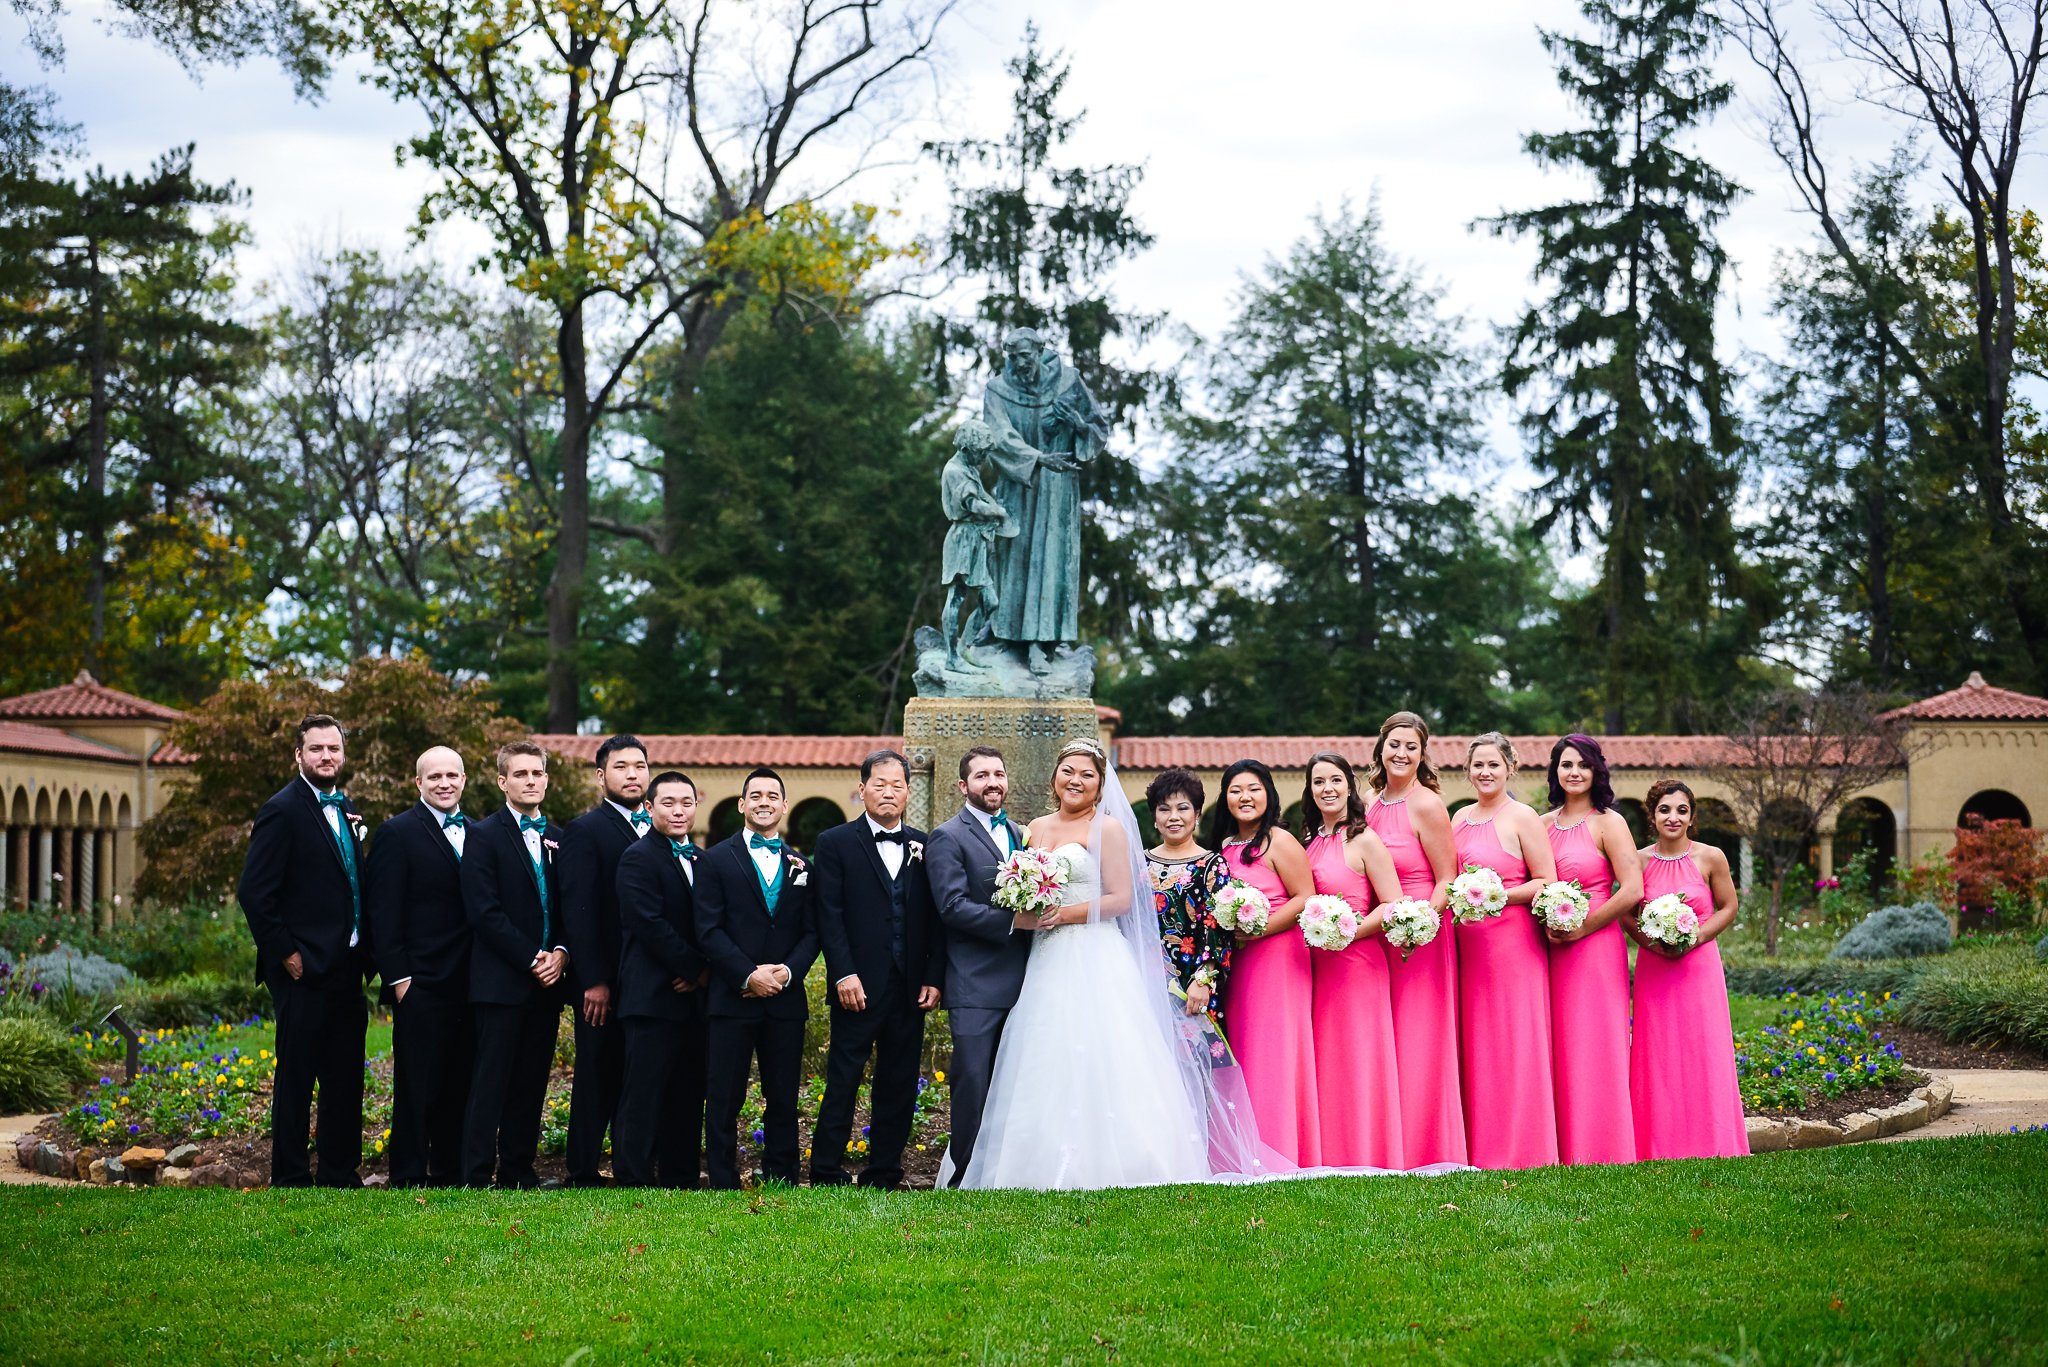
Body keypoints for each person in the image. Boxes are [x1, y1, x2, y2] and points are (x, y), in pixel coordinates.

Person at [952, 739, 1210, 1189]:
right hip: (1045, 959)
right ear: (1055, 776)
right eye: (1068, 770)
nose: (1076, 780)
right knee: (1042, 1051)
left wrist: (1064, 914)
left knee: (1102, 1050)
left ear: (1100, 784)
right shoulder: (1032, 827)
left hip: (1094, 952)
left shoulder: (1107, 829)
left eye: (1087, 774)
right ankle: (1030, 1164)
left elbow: (1121, 898)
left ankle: (1119, 1163)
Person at [236, 713, 372, 1189]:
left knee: (345, 1076)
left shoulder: (348, 807)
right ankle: (291, 1174)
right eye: (316, 749)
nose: (326, 756)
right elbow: (255, 892)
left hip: (347, 966)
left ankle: (339, 1172)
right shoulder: (282, 809)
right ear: (299, 755)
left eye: (333, 748)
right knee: (297, 1077)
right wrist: (286, 953)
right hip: (302, 970)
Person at [810, 749, 946, 1190]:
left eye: (897, 785)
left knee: (899, 1083)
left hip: (909, 987)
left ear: (908, 791)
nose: (888, 792)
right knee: (843, 1079)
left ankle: (884, 1171)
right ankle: (826, 1171)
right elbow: (827, 915)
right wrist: (843, 973)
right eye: (880, 784)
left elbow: (935, 919)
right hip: (857, 985)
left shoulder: (924, 844)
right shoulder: (834, 843)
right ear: (863, 788)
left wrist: (932, 976)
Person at [696, 767, 818, 1189]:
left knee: (783, 1096)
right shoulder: (713, 860)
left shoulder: (802, 864)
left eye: (773, 796)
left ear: (784, 806)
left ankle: (783, 1174)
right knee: (725, 1096)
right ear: (741, 805)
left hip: (785, 1000)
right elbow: (708, 929)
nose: (765, 802)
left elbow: (812, 930)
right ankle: (724, 1179)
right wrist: (747, 975)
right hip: (732, 999)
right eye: (756, 795)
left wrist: (786, 971)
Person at [364, 745, 475, 1188]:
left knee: (460, 1080)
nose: (444, 783)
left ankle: (451, 1172)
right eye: (435, 777)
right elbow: (382, 911)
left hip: (472, 981)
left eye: (452, 775)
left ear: (464, 780)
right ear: (419, 784)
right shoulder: (397, 833)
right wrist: (400, 978)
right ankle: (409, 1174)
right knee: (417, 1085)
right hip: (422, 982)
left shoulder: (480, 832)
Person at [924, 745, 1034, 1187]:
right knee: (972, 1081)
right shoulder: (948, 837)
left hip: (1030, 977)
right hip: (975, 983)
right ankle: (967, 1176)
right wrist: (1013, 921)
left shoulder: (1023, 834)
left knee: (1020, 1080)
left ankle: (1012, 1172)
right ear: (962, 785)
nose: (993, 782)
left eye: (999, 774)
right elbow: (951, 906)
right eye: (982, 775)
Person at [1450, 733, 1561, 1170]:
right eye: (1478, 764)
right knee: (1478, 1045)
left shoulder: (1524, 816)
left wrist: (1498, 894)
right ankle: (1480, 1145)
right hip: (1470, 948)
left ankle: (1524, 1148)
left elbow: (1545, 880)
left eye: (1494, 764)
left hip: (1512, 945)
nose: (1485, 772)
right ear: (1468, 769)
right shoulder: (1458, 818)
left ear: (1510, 768)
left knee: (1514, 1041)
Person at [460, 741, 567, 1190]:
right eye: (520, 774)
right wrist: (530, 957)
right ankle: (476, 1173)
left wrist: (561, 952)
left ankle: (519, 1171)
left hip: (548, 981)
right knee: (491, 1081)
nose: (530, 781)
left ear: (546, 779)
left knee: (531, 1081)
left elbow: (569, 904)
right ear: (503, 781)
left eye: (537, 773)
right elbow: (483, 912)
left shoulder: (559, 836)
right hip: (502, 980)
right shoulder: (483, 835)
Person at [1365, 711, 1465, 1168]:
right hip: (1375, 935)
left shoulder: (1427, 804)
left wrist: (1421, 923)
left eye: (1411, 746)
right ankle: (1386, 1140)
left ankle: (1426, 1146)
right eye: (1394, 744)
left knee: (1418, 1037)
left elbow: (1448, 877)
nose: (1401, 753)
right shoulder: (1367, 801)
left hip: (1421, 935)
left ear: (1422, 754)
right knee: (1383, 1036)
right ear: (1380, 747)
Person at [1628, 779, 1748, 1160]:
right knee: (1657, 1053)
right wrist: (1651, 943)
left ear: (1692, 816)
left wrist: (1695, 938)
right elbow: (1625, 913)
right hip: (1655, 968)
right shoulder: (1638, 860)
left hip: (1699, 968)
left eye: (1681, 810)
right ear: (1653, 815)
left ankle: (1713, 1143)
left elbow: (1729, 907)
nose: (1673, 817)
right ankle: (1655, 1144)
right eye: (1664, 809)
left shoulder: (1711, 857)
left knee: (1702, 1050)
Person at [1208, 758, 1318, 1166]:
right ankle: (1244, 1148)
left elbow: (1305, 895)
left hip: (1277, 957)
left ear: (1268, 793)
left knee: (1274, 1048)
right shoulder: (1222, 847)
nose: (1245, 797)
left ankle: (1279, 1147)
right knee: (1245, 1047)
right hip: (1238, 964)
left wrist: (1263, 927)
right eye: (1236, 790)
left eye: (1253, 788)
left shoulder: (1279, 840)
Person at [1300, 752, 1405, 1171]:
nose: (1327, 789)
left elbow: (1393, 903)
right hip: (1319, 969)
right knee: (1330, 1057)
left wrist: (1347, 933)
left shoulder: (1364, 840)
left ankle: (1368, 1153)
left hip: (1358, 963)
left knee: (1360, 1057)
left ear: (1349, 786)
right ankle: (1332, 1151)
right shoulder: (1309, 840)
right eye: (1318, 782)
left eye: (1335, 780)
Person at [1541, 736, 1642, 1165]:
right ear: (1555, 772)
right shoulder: (1542, 824)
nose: (1574, 772)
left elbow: (1632, 888)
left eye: (1583, 765)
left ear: (1597, 770)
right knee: (1558, 1043)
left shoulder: (1609, 823)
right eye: (1566, 765)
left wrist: (1584, 928)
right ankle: (1559, 1143)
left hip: (1595, 945)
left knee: (1595, 1041)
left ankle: (1603, 1145)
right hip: (1548, 948)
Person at [558, 734, 651, 1186]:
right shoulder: (584, 830)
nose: (632, 774)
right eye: (621, 767)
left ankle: (635, 1164)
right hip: (604, 981)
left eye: (639, 766)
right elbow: (579, 911)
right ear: (601, 776)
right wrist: (593, 979)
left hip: (649, 981)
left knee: (639, 1075)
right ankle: (582, 1169)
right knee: (597, 1072)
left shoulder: (659, 829)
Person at [613, 770, 709, 1189]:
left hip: (695, 1000)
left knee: (688, 1092)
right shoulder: (638, 857)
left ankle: (681, 1176)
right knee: (644, 1092)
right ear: (649, 808)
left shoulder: (704, 859)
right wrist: (694, 968)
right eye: (668, 802)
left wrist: (703, 973)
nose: (678, 810)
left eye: (686, 802)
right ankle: (633, 1176)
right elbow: (648, 924)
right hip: (651, 995)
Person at [1144, 768, 1232, 1022]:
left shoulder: (1212, 865)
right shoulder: (1139, 863)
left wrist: (1203, 980)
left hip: (1193, 984)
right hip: (1143, 982)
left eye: (1182, 808)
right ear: (1154, 817)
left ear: (1197, 814)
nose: (1173, 817)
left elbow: (1217, 927)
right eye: (1164, 809)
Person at [938, 419, 1018, 672]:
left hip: (976, 541)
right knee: (956, 597)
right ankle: (952, 659)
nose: (983, 457)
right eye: (980, 452)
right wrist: (998, 512)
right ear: (966, 448)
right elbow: (972, 504)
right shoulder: (955, 471)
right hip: (962, 540)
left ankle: (965, 647)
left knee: (990, 601)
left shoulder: (969, 468)